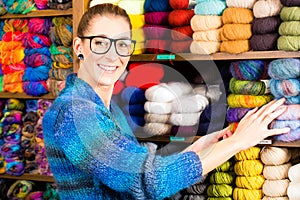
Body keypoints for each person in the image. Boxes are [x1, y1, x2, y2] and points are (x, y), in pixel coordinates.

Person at [42, 3, 290, 200]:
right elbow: (147, 180)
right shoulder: (76, 113)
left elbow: (132, 166)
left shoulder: (104, 107)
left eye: (122, 44)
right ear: (79, 47)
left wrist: (200, 148)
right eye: (100, 43)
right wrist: (238, 142)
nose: (112, 55)